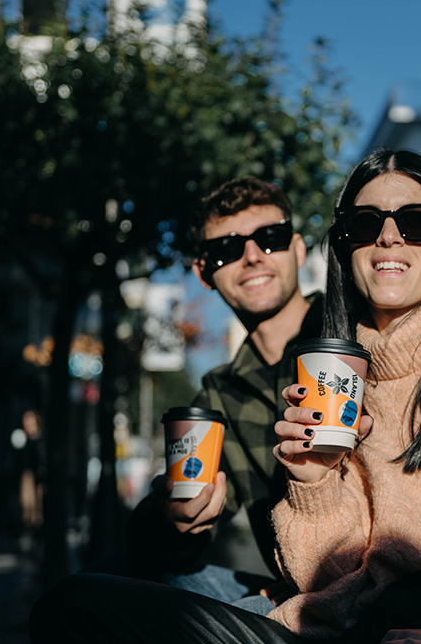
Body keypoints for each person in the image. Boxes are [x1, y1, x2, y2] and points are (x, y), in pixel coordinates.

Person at [30, 149, 421, 644]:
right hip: (351, 631)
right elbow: (338, 581)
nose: (388, 236)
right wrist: (312, 487)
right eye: (364, 226)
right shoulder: (337, 381)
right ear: (345, 252)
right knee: (77, 604)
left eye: (415, 222)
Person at [124, 175, 322, 610]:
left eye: (270, 238)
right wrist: (173, 518)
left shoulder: (357, 338)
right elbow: (172, 543)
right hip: (293, 598)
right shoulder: (219, 395)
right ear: (204, 272)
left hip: (391, 596)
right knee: (92, 592)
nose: (252, 256)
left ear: (300, 248)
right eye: (228, 249)